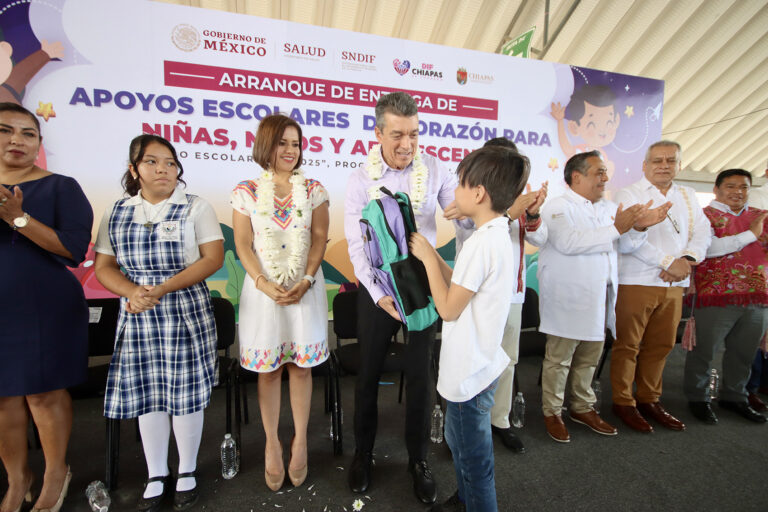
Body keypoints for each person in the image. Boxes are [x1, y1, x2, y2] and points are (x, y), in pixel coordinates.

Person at [344, 91, 466, 505]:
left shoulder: (434, 169)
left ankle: (418, 460)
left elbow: (461, 213)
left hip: (421, 285)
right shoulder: (361, 179)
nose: (407, 144)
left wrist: (481, 212)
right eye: (397, 134)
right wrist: (379, 297)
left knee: (421, 377)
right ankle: (363, 453)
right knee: (367, 375)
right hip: (378, 289)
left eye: (414, 134)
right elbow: (357, 247)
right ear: (378, 132)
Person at [94, 135, 224, 512]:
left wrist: (162, 288)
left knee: (183, 393)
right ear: (134, 169)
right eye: (152, 162)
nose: (163, 169)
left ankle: (186, 469)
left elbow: (211, 259)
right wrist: (133, 291)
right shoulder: (116, 211)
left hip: (183, 306)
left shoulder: (195, 207)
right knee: (148, 391)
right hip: (137, 311)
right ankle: (156, 472)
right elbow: (104, 267)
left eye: (170, 162)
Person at [410, 145, 528, 512]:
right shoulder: (494, 235)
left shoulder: (482, 243)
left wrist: (429, 259)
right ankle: (464, 498)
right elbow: (461, 284)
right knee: (458, 440)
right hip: (478, 363)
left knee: (474, 458)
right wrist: (437, 260)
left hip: (470, 373)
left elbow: (446, 308)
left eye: (460, 183)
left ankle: (475, 501)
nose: (455, 191)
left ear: (478, 193)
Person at [537, 151, 669, 443]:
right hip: (567, 297)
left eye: (605, 173)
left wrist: (640, 226)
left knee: (589, 359)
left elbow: (627, 245)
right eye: (598, 173)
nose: (605, 178)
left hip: (600, 297)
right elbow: (569, 243)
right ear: (576, 177)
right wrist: (617, 227)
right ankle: (552, 411)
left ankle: (582, 407)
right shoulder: (556, 206)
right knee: (559, 360)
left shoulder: (611, 208)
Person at [0, 102, 92, 512]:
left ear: (39, 143)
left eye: (27, 133)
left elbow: (73, 249)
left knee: (42, 392)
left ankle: (56, 471)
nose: (16, 140)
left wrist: (19, 219)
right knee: (3, 397)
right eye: (6, 131)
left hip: (43, 305)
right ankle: (17, 477)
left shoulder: (60, 186)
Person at [231, 114, 329, 491]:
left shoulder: (315, 188)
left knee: (301, 368)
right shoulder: (246, 190)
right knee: (269, 369)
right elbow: (242, 243)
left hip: (305, 289)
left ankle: (299, 441)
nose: (290, 151)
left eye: (296, 143)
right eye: (282, 143)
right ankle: (272, 443)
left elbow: (319, 238)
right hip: (264, 293)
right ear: (265, 146)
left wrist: (305, 279)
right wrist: (261, 282)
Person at [611, 140, 711, 433]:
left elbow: (703, 232)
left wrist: (688, 259)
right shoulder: (629, 193)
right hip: (637, 280)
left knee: (662, 345)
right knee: (628, 345)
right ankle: (623, 401)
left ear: (680, 165)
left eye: (671, 160)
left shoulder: (688, 194)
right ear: (645, 165)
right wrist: (670, 261)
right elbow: (628, 241)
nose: (664, 165)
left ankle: (649, 399)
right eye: (657, 161)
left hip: (674, 282)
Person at [457, 137, 548, 454]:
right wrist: (509, 212)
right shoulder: (473, 194)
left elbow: (541, 237)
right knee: (472, 361)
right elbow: (470, 232)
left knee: (507, 360)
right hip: (476, 294)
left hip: (512, 293)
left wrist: (532, 213)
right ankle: (468, 424)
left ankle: (500, 421)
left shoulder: (520, 198)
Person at [684, 169, 768, 424]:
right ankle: (698, 398)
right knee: (704, 351)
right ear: (716, 189)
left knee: (744, 352)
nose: (738, 192)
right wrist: (750, 235)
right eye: (730, 186)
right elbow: (708, 250)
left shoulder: (760, 216)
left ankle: (735, 397)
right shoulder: (703, 216)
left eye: (743, 187)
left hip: (757, 296)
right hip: (716, 295)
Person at [743, 160, 768, 411]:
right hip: (758, 273)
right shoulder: (759, 196)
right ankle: (750, 387)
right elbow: (756, 237)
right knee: (755, 334)